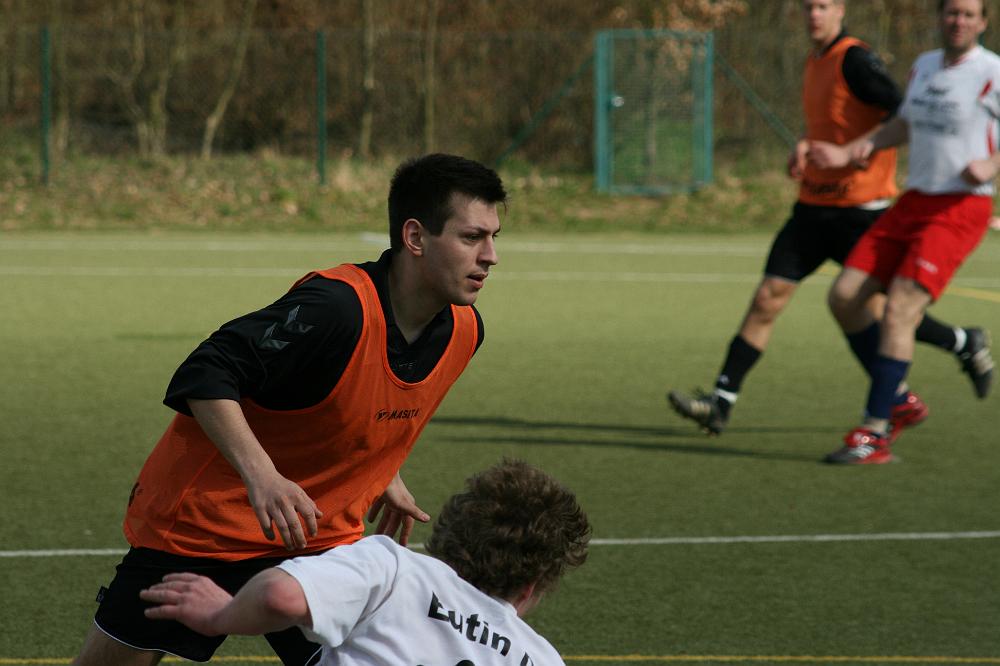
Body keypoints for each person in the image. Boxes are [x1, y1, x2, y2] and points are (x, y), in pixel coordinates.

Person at [73, 153, 507, 664]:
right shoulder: (335, 307)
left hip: (319, 537)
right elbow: (207, 373)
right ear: (414, 237)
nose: (491, 255)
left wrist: (381, 466)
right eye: (472, 237)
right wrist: (263, 476)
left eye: (495, 237)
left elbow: (363, 399)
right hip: (204, 525)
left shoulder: (463, 331)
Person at [667, 0, 993, 437]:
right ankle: (721, 401)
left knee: (888, 310)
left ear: (841, 11)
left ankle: (914, 386)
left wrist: (855, 151)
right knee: (773, 297)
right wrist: (807, 145)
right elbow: (850, 124)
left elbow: (896, 115)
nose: (813, 15)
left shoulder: (857, 60)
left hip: (861, 209)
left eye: (823, 6)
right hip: (814, 208)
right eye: (807, 7)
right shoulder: (823, 61)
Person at [138, 459, 591, 665]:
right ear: (532, 587)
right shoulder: (541, 657)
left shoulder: (396, 568)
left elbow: (280, 595)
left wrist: (220, 614)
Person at [810, 0, 1000, 463]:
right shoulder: (925, 66)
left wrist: (991, 164)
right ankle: (896, 398)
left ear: (982, 22)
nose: (958, 21)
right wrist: (847, 152)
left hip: (959, 207)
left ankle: (875, 432)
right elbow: (901, 126)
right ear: (941, 17)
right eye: (951, 12)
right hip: (913, 201)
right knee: (844, 296)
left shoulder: (992, 71)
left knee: (899, 310)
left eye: (968, 14)